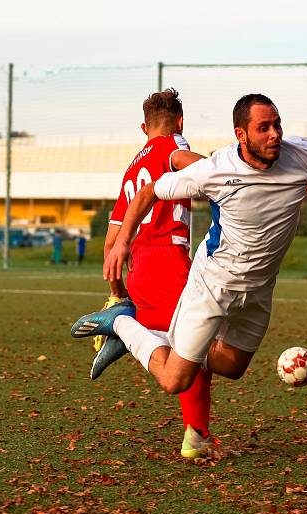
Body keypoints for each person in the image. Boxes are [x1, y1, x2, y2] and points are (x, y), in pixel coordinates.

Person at [72, 93, 307, 414]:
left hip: (259, 290)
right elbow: (149, 191)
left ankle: (172, 341)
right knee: (175, 380)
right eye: (263, 127)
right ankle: (122, 324)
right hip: (211, 285)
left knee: (232, 366)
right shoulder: (215, 169)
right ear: (241, 134)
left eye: (277, 125)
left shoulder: (302, 154)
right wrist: (124, 238)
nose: (275, 134)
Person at [94, 88, 215, 459]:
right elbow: (186, 160)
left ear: (143, 126)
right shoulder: (169, 147)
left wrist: (117, 291)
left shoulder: (132, 167)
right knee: (194, 347)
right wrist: (223, 170)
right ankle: (124, 327)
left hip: (139, 268)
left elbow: (111, 244)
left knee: (196, 348)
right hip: (167, 259)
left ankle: (198, 436)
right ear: (180, 122)